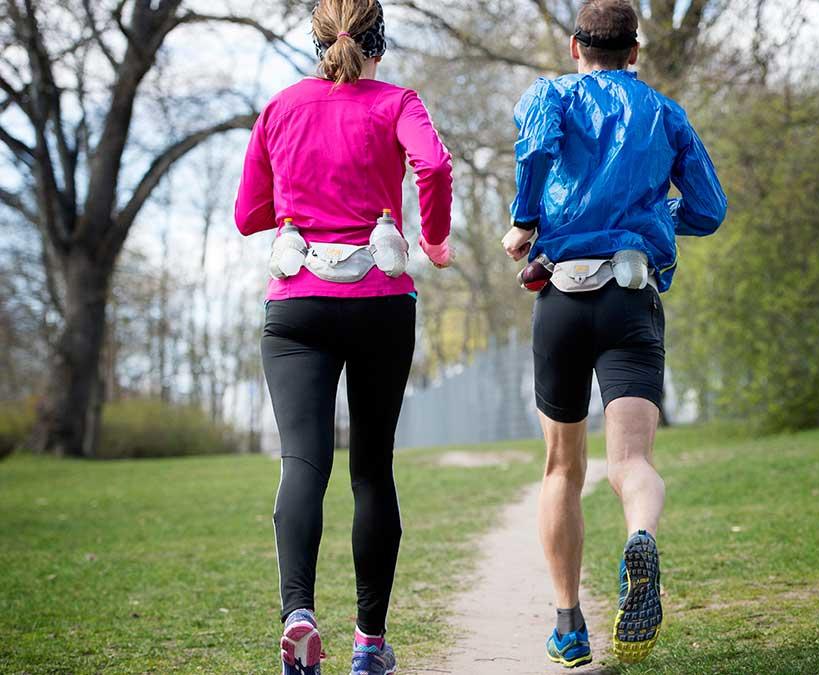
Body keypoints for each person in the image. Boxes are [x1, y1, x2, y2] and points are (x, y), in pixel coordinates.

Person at [500, 0, 727, 667]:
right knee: (632, 463)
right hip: (632, 297)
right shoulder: (665, 112)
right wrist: (654, 220)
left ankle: (569, 624)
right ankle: (641, 536)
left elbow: (538, 145)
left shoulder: (550, 95)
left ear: (576, 48)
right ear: (635, 52)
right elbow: (709, 209)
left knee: (563, 469)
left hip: (564, 298)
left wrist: (525, 219)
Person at [234, 1, 454, 673]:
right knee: (370, 470)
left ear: (318, 40)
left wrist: (299, 207)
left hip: (298, 304)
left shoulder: (280, 108)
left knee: (303, 462)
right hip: (380, 301)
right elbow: (436, 168)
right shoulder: (397, 102)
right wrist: (435, 239)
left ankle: (298, 614)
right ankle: (369, 644)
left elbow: (249, 215)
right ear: (379, 41)